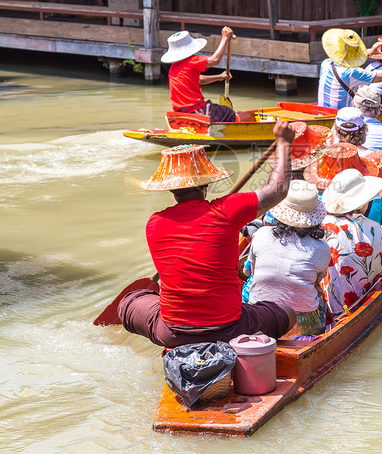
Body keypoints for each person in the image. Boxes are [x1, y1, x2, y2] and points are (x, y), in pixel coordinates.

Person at [118, 120, 298, 348]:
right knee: (288, 314)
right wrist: (283, 142)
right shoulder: (226, 210)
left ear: (170, 189)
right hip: (231, 328)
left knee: (129, 303)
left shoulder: (154, 223)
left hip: (172, 333)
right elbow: (278, 189)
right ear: (205, 185)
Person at [247, 180, 331, 337]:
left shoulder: (261, 234)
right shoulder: (322, 248)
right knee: (318, 292)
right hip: (302, 320)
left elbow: (253, 271)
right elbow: (315, 281)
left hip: (259, 314)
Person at [321, 169, 382, 316]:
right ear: (361, 203)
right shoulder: (376, 228)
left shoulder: (321, 227)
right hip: (367, 297)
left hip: (332, 307)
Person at [161, 28, 236, 123]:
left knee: (218, 111)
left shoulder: (174, 67)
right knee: (229, 113)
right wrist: (225, 38)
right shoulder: (192, 60)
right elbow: (215, 60)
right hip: (196, 110)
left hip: (179, 112)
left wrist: (219, 77)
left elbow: (199, 79)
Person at [318, 28, 382, 109]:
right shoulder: (351, 72)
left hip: (321, 112)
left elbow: (348, 59)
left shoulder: (326, 63)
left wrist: (370, 52)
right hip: (341, 116)